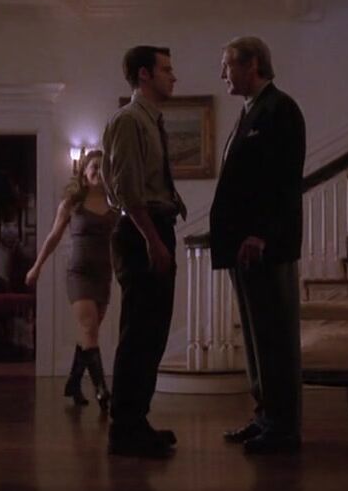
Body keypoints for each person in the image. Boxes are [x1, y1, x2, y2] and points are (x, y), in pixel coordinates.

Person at [210, 36, 306, 454]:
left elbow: (283, 182)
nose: (222, 73)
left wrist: (261, 234)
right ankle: (266, 416)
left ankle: (283, 428)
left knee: (275, 338)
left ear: (252, 65)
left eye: (228, 64)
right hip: (244, 247)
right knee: (255, 337)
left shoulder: (280, 109)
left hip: (265, 246)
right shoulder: (250, 111)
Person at [101, 45, 187, 458]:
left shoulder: (151, 121)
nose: (174, 76)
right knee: (139, 333)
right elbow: (128, 191)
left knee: (152, 333)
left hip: (155, 228)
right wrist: (153, 240)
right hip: (141, 232)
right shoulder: (129, 121)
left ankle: (136, 421)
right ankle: (125, 428)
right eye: (166, 69)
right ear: (144, 75)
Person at [26, 150, 114, 411]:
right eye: (94, 167)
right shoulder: (72, 203)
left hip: (104, 274)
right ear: (84, 172)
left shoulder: (114, 202)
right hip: (79, 273)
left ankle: (73, 383)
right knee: (89, 328)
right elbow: (53, 237)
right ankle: (102, 390)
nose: (98, 171)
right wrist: (37, 267)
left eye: (103, 167)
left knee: (89, 332)